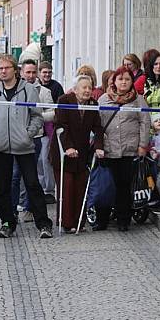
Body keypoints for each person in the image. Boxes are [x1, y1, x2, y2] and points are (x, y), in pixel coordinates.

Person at [0, 55, 53, 239]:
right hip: (1, 146)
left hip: (24, 145)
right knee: (3, 187)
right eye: (0, 69)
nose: (3, 71)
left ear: (15, 69)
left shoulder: (28, 90)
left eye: (6, 68)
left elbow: (37, 116)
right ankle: (7, 223)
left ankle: (43, 224)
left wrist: (27, 134)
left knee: (32, 184)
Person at [97, 67, 150, 231]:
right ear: (114, 81)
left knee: (124, 186)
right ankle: (102, 220)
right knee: (106, 186)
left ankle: (123, 220)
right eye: (120, 79)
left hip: (130, 149)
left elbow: (145, 122)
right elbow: (97, 124)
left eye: (127, 79)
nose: (124, 82)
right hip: (109, 149)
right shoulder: (104, 99)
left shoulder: (139, 100)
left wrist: (143, 145)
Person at [50, 75, 104, 232]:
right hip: (63, 151)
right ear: (75, 89)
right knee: (66, 187)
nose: (88, 90)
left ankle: (78, 222)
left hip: (82, 152)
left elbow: (98, 127)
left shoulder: (93, 104)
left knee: (80, 187)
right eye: (84, 87)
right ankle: (66, 224)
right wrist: (68, 147)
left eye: (90, 87)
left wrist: (99, 146)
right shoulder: (64, 100)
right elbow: (61, 125)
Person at [21, 59, 57, 206]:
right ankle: (21, 202)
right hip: (17, 136)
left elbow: (52, 113)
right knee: (17, 174)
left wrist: (37, 118)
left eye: (33, 72)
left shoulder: (44, 91)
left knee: (34, 171)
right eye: (28, 72)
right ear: (22, 72)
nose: (30, 75)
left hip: (36, 135)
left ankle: (30, 204)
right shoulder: (16, 89)